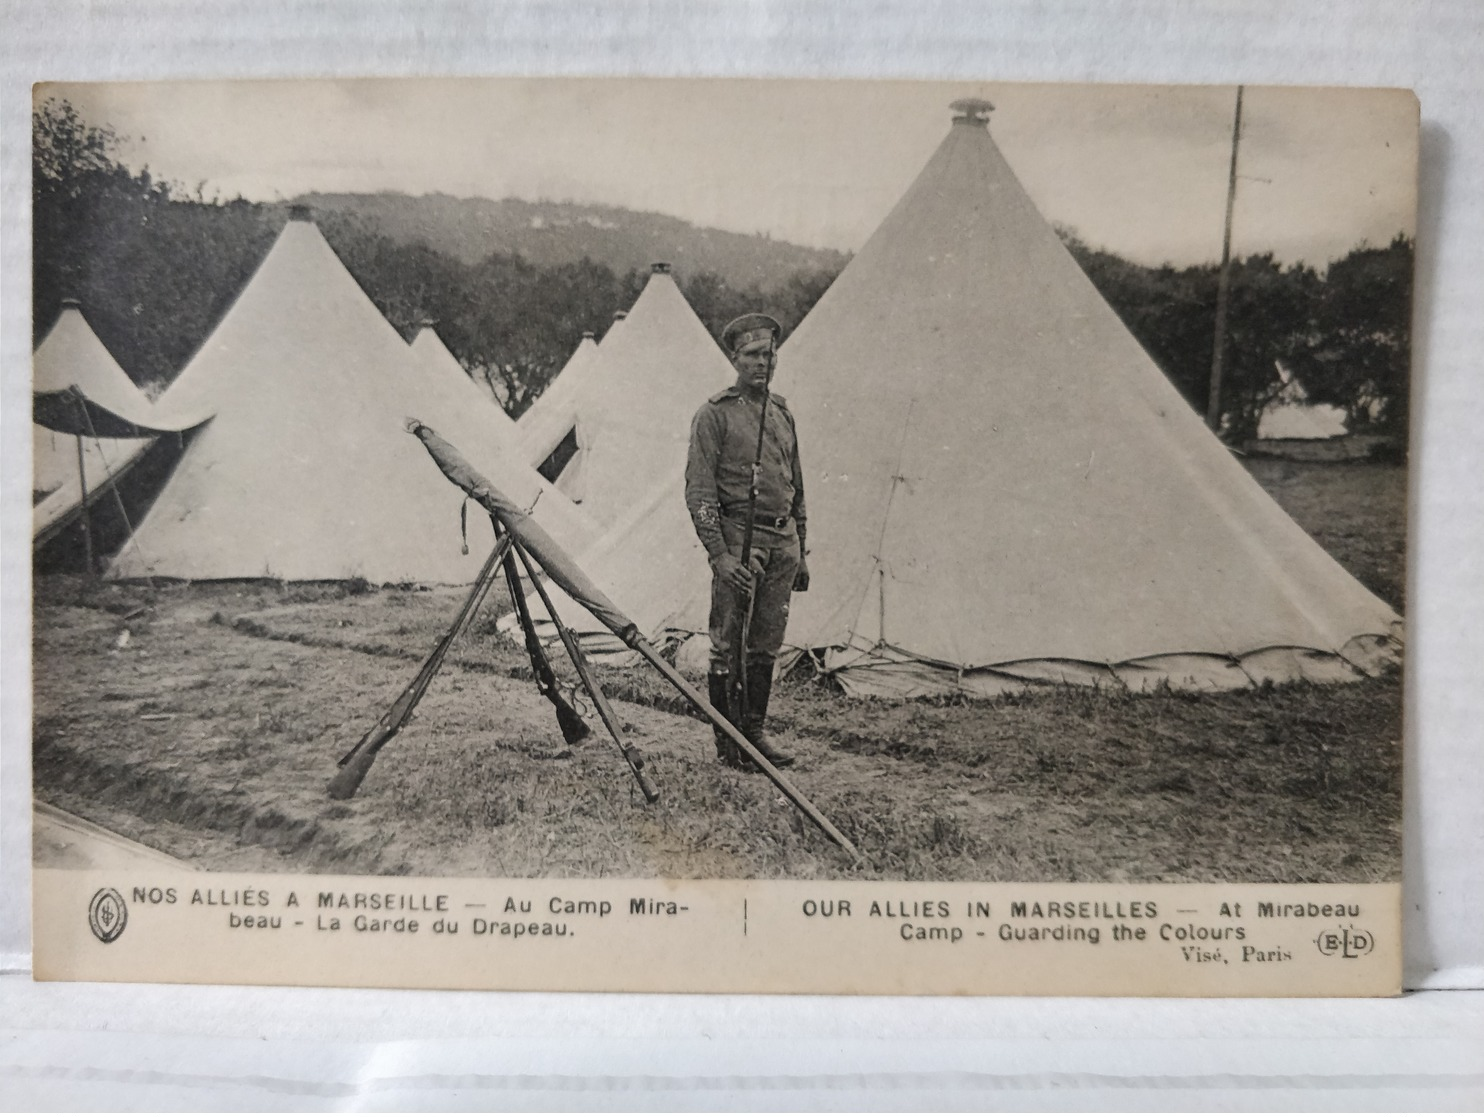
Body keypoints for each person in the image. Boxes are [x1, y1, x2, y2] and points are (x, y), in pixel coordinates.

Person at [685, 313, 809, 771]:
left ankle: (754, 732)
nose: (764, 362)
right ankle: (728, 741)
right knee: (727, 644)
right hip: (739, 542)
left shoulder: (782, 414)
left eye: (770, 353)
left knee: (765, 646)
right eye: (754, 355)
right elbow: (699, 493)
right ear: (734, 358)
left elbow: (795, 484)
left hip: (783, 543)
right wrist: (719, 555)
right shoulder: (714, 415)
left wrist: (802, 551)